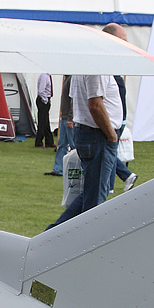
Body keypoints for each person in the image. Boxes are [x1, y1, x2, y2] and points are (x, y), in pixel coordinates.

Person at [48, 71, 122, 228]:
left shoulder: (81, 69)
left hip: (88, 132)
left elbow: (77, 100)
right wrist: (111, 134)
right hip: (97, 134)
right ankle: (86, 238)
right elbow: (95, 105)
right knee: (95, 198)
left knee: (91, 191)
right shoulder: (98, 70)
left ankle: (52, 233)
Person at [101, 25, 137, 193]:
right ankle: (112, 184)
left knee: (108, 153)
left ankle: (123, 177)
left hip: (114, 121)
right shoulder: (111, 75)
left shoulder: (114, 77)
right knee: (108, 153)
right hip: (116, 120)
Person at [48, 75, 74, 175]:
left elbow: (73, 100)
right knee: (62, 144)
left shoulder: (71, 79)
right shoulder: (67, 78)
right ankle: (58, 169)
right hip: (65, 117)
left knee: (73, 145)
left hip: (68, 118)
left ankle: (78, 168)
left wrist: (70, 118)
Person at [33, 72, 54, 148]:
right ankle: (38, 142)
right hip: (43, 100)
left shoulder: (46, 76)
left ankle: (49, 141)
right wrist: (45, 100)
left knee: (46, 122)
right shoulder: (45, 76)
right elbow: (41, 90)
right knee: (42, 122)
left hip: (44, 99)